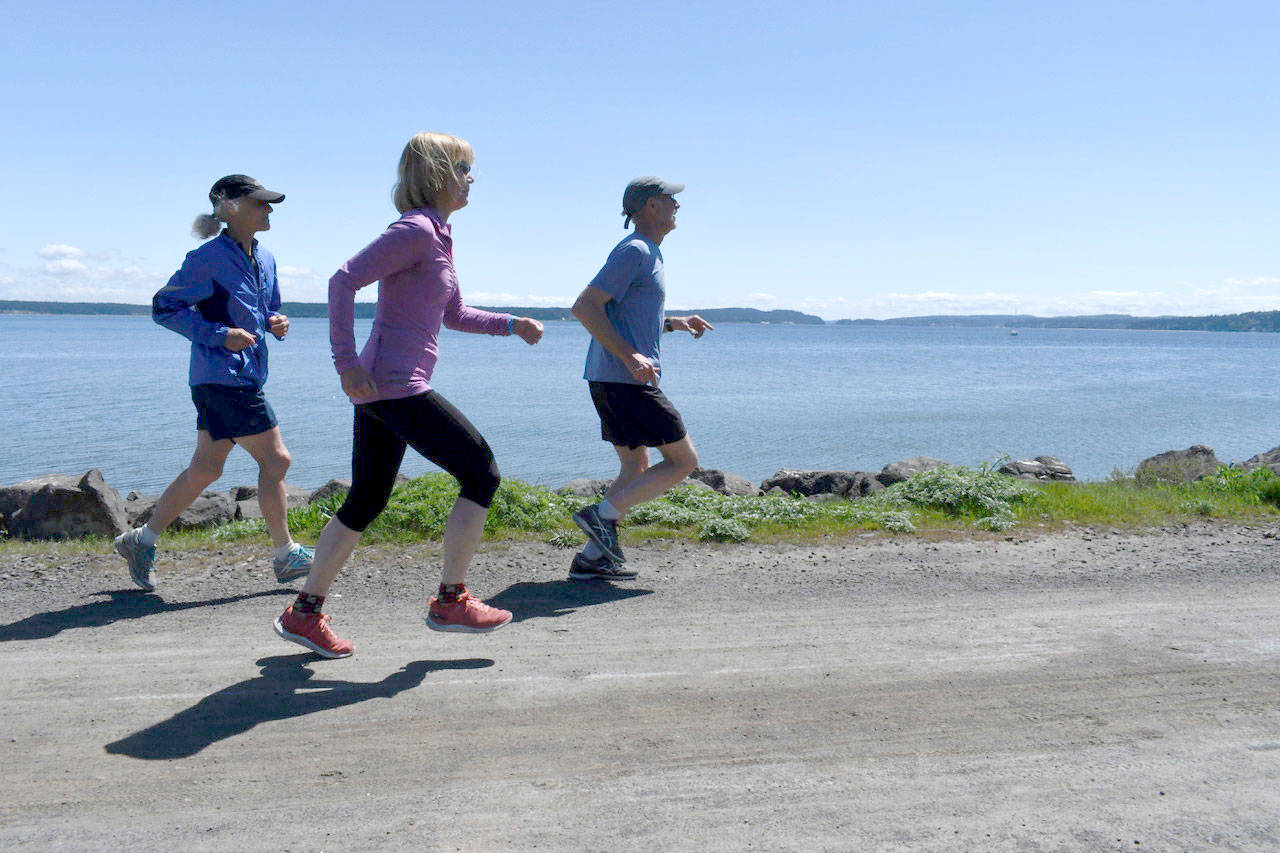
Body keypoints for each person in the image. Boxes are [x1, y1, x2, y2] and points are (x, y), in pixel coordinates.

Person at [273, 131, 544, 659]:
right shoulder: (415, 230)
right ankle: (451, 599)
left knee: (368, 497)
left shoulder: (439, 236)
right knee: (481, 470)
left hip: (385, 389)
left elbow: (455, 314)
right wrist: (345, 363)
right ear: (439, 174)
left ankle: (303, 613)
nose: (472, 181)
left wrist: (512, 324)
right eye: (465, 170)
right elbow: (342, 280)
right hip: (394, 386)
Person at [114, 175, 314, 591]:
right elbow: (164, 306)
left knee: (206, 469)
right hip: (223, 379)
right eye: (261, 203)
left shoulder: (267, 258)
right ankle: (286, 555)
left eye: (270, 204)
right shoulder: (205, 258)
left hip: (242, 376)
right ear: (232, 208)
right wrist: (218, 334)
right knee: (277, 461)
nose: (269, 210)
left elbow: (267, 308)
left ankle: (141, 539)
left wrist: (278, 321)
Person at [569, 177, 713, 580]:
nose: (677, 206)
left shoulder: (649, 253)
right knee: (684, 461)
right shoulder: (635, 250)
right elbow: (585, 307)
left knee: (635, 465)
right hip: (625, 380)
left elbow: (625, 316)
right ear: (650, 205)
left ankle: (591, 560)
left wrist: (673, 324)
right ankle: (600, 517)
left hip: (611, 378)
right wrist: (632, 356)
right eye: (672, 200)